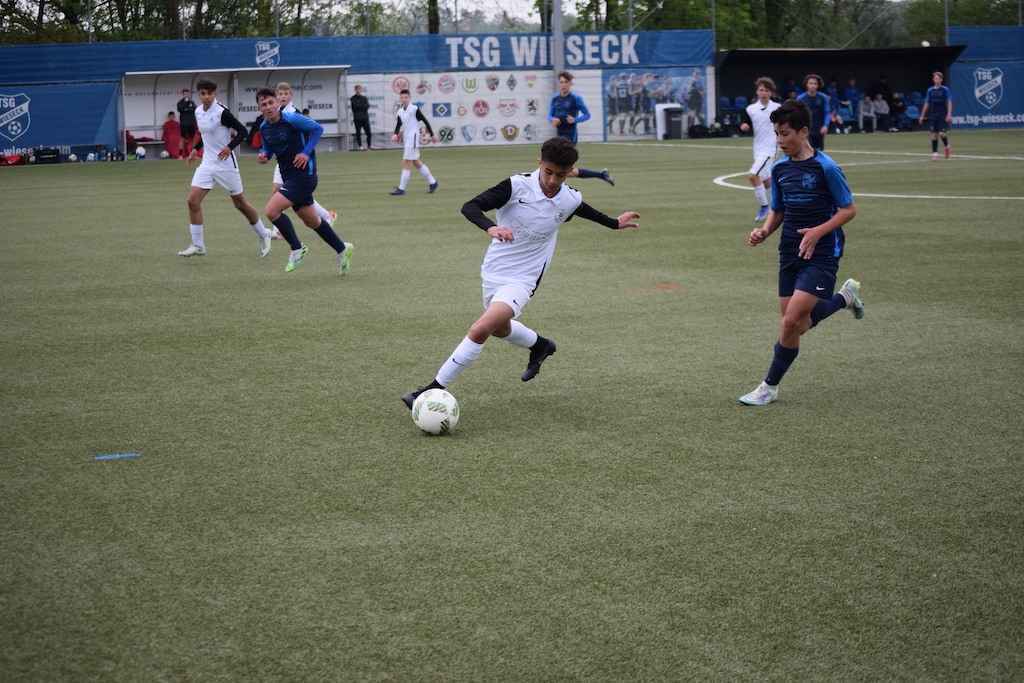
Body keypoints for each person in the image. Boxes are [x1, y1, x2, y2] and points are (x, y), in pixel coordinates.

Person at [400, 136, 641, 409]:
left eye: (561, 175)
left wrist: (613, 223)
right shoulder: (516, 186)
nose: (553, 180)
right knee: (499, 329)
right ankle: (540, 345)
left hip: (524, 279)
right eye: (548, 172)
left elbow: (583, 210)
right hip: (495, 270)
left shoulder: (569, 199)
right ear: (539, 163)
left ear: (570, 172)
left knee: (481, 329)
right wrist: (491, 227)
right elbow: (470, 206)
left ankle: (430, 390)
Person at [739, 98, 864, 406]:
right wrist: (764, 231)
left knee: (790, 324)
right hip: (789, 251)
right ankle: (844, 298)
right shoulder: (780, 168)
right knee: (795, 324)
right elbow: (778, 209)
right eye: (776, 134)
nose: (779, 141)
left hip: (822, 253)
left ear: (804, 132)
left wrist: (819, 231)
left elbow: (849, 209)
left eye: (785, 134)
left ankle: (769, 387)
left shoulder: (826, 167)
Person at [255, 87, 354, 275]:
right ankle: (342, 248)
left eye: (271, 102)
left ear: (277, 102)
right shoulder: (264, 127)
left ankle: (297, 248)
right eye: (263, 104)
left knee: (271, 211)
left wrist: (305, 152)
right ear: (259, 108)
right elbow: (268, 148)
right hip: (289, 177)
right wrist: (264, 155)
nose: (268, 107)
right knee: (312, 221)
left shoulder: (292, 119)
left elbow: (317, 129)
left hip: (304, 176)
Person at [177, 78, 273, 259]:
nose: (206, 97)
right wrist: (196, 149)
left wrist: (229, 147)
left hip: (225, 165)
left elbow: (243, 131)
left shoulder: (222, 112)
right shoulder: (198, 111)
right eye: (203, 94)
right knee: (192, 201)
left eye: (209, 93)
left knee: (240, 204)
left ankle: (263, 234)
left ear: (215, 94)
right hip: (207, 164)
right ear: (198, 94)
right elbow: (206, 134)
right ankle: (198, 245)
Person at [269, 82, 337, 238]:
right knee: (295, 195)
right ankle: (327, 215)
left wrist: (306, 153)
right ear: (276, 96)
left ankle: (278, 230)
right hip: (284, 160)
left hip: (296, 161)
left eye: (286, 94)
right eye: (280, 94)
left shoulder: (294, 114)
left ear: (291, 95)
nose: (283, 97)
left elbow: (313, 131)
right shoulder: (277, 113)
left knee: (281, 192)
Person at [548, 71, 615, 185]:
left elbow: (587, 115)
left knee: (557, 168)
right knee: (566, 171)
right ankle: (601, 174)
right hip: (559, 137)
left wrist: (574, 120)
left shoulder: (576, 98)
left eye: (566, 82)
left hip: (570, 137)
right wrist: (552, 120)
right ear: (558, 84)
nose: (563, 84)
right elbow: (550, 115)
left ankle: (555, 189)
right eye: (561, 82)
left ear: (570, 84)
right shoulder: (555, 98)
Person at [738, 76, 781, 223]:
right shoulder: (751, 109)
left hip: (770, 148)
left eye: (767, 90)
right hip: (757, 148)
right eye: (761, 90)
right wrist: (744, 126)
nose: (763, 93)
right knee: (765, 179)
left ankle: (764, 206)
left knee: (753, 175)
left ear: (771, 93)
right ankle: (779, 205)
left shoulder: (777, 108)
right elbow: (745, 123)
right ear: (757, 91)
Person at [389, 88, 439, 195]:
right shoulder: (400, 111)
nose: (404, 99)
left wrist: (432, 134)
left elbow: (425, 121)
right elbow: (398, 124)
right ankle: (433, 182)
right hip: (407, 139)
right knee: (416, 162)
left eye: (406, 97)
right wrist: (395, 134)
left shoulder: (414, 109)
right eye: (402, 97)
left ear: (410, 98)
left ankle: (401, 189)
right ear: (400, 99)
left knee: (405, 162)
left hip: (413, 138)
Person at [919, 71, 952, 160]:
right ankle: (935, 154)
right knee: (934, 134)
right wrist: (922, 115)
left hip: (942, 113)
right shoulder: (930, 90)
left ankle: (947, 146)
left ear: (941, 80)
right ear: (933, 80)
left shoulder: (945, 89)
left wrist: (949, 114)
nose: (937, 80)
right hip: (933, 114)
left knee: (941, 133)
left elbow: (949, 101)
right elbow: (927, 103)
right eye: (936, 78)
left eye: (939, 79)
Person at [796, 74, 830, 150]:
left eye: (815, 84)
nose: (813, 85)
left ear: (818, 85)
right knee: (808, 150)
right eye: (810, 83)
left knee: (819, 150)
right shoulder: (801, 98)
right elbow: (797, 115)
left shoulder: (823, 97)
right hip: (806, 129)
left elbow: (827, 112)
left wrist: (825, 125)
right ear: (806, 85)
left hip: (819, 128)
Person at [350, 84, 374, 151]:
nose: (358, 90)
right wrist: (361, 106)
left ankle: (369, 145)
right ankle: (360, 146)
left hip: (365, 118)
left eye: (359, 89)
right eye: (357, 89)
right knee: (358, 133)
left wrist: (360, 106)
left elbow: (367, 106)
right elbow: (355, 107)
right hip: (357, 118)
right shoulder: (353, 98)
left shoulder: (364, 98)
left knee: (368, 132)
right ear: (355, 90)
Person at [176, 88, 198, 158]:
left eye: (187, 94)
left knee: (192, 139)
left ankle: (193, 154)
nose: (186, 95)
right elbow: (180, 109)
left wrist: (186, 109)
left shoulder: (192, 102)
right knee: (183, 138)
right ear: (183, 95)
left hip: (191, 123)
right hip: (184, 124)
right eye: (185, 94)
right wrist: (185, 104)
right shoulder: (180, 102)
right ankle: (180, 155)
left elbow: (194, 110)